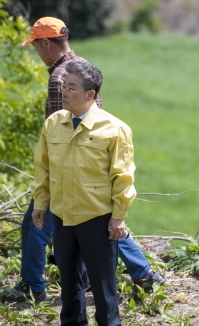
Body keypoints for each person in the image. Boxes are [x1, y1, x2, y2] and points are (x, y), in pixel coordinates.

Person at [3, 17, 163, 304]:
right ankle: (142, 273)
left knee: (36, 225)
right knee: (101, 223)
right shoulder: (81, 67)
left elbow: (60, 128)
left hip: (68, 169)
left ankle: (32, 285)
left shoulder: (59, 80)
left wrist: (51, 178)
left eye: (36, 46)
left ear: (46, 43)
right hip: (91, 167)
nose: (37, 54)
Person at [32, 60, 135, 325]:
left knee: (103, 288)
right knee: (68, 286)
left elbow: (123, 176)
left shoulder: (115, 129)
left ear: (91, 94)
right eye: (64, 87)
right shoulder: (54, 123)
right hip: (63, 217)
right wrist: (40, 204)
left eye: (72, 88)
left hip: (97, 220)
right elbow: (42, 167)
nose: (64, 93)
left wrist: (119, 217)